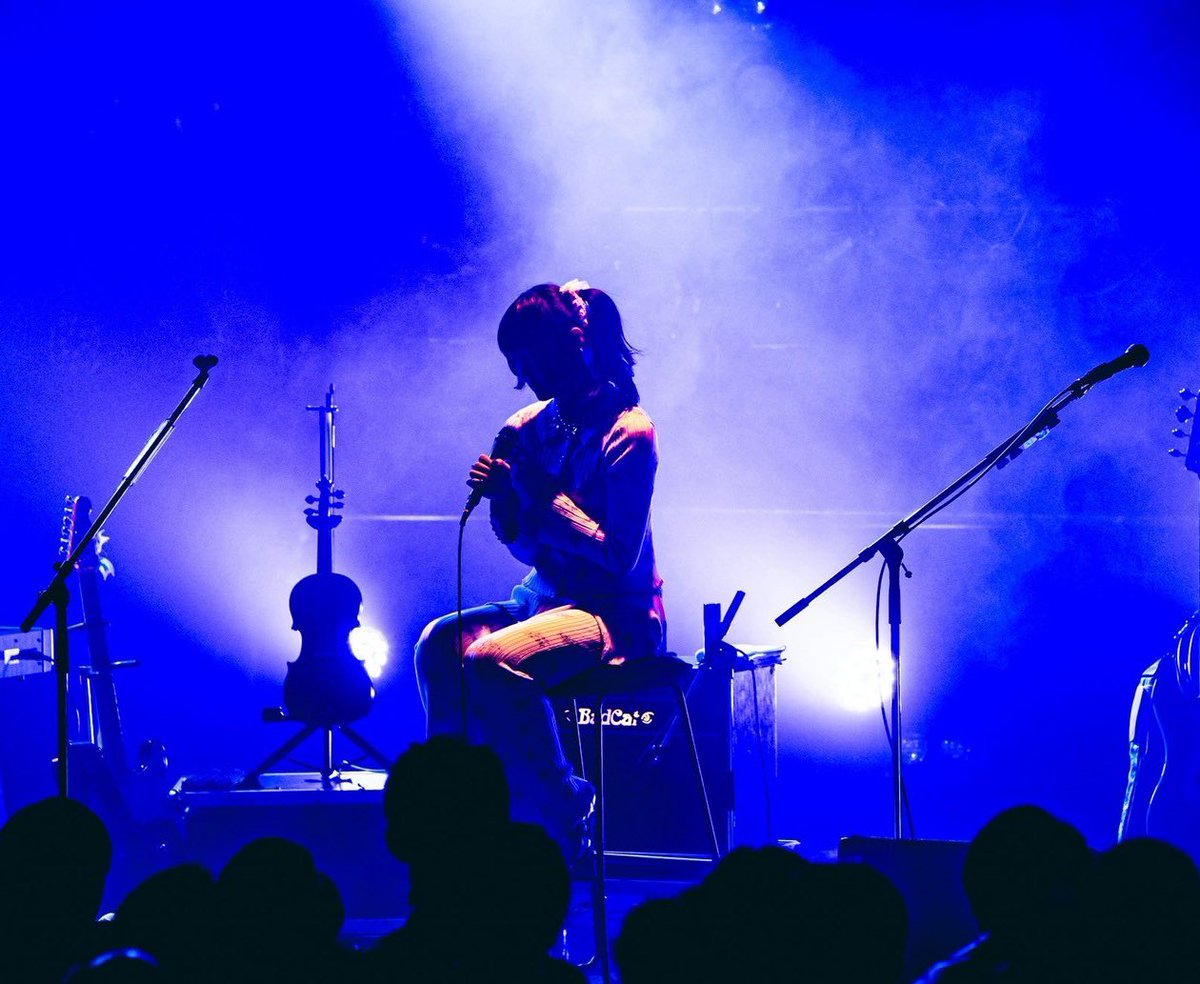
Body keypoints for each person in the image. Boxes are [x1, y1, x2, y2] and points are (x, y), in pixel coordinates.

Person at [413, 280, 665, 857]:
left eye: (530, 362)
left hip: (616, 613)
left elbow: (616, 555)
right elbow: (524, 546)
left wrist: (537, 494)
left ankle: (563, 809)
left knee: (489, 661)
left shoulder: (631, 432)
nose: (525, 379)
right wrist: (506, 500)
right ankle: (460, 805)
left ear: (575, 342)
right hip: (545, 596)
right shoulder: (527, 425)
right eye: (515, 367)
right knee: (438, 644)